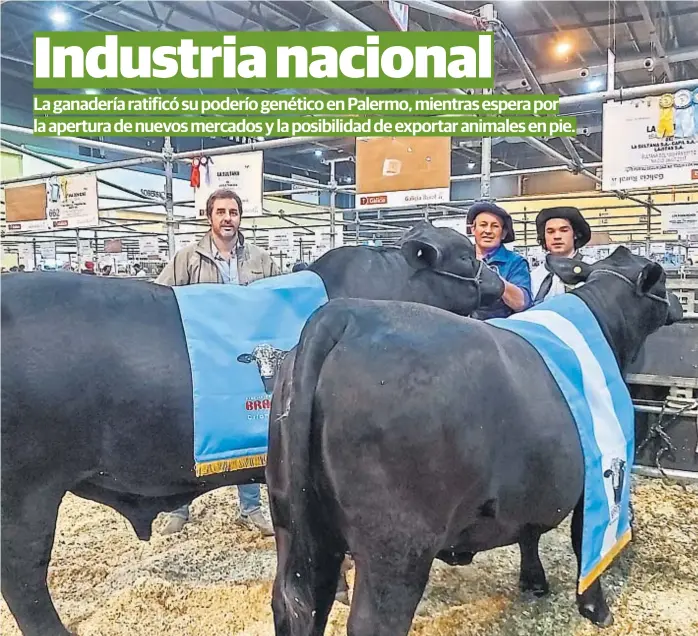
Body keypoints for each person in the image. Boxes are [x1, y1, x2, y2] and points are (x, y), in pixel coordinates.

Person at [156, 187, 279, 537]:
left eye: (234, 212)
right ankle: (179, 507)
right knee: (192, 428)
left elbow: (278, 296)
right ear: (209, 217)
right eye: (221, 212)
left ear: (241, 217)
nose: (228, 218)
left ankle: (251, 508)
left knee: (248, 426)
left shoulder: (260, 259)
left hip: (246, 361)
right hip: (201, 361)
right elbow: (160, 298)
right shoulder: (188, 258)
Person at [467, 201, 532, 319]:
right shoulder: (460, 257)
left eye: (495, 226)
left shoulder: (515, 262)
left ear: (503, 234)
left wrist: (492, 277)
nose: (488, 231)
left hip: (498, 330)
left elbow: (521, 303)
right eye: (483, 225)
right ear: (473, 229)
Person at [530, 206, 592, 304]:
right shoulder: (534, 277)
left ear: (575, 234)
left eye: (564, 230)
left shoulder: (593, 269)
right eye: (550, 232)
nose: (557, 236)